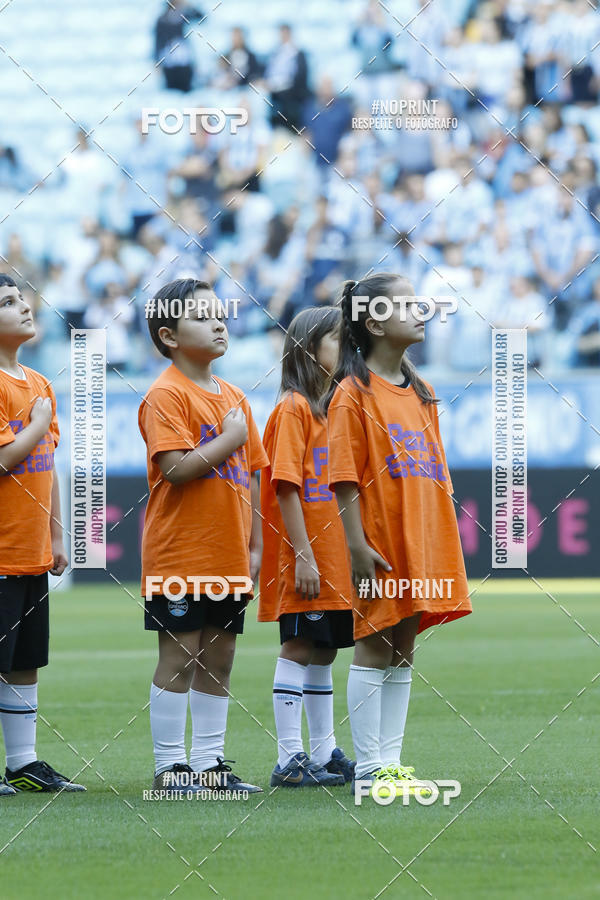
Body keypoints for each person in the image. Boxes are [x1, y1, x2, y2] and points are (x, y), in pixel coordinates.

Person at [324, 273, 472, 797]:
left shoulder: (423, 390)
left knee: (404, 647)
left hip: (420, 539)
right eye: (406, 303)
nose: (422, 310)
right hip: (380, 543)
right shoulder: (352, 393)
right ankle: (368, 766)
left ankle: (391, 760)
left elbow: (436, 473)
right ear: (373, 320)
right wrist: (357, 544)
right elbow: (342, 477)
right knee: (375, 643)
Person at [139, 278, 268, 796]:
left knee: (220, 656)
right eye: (202, 316)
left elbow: (252, 472)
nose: (219, 322)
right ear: (169, 335)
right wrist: (229, 438)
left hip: (227, 553)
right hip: (179, 553)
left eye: (220, 313)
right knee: (180, 656)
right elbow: (174, 470)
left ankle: (210, 764)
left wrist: (256, 544)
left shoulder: (234, 394)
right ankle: (171, 768)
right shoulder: (165, 394)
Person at [259, 307, 354, 788]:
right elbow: (285, 485)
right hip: (309, 556)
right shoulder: (293, 407)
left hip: (335, 555)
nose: (346, 348)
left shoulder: (333, 407)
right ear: (308, 348)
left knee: (324, 651)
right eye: (338, 339)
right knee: (298, 646)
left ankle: (322, 751)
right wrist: (303, 553)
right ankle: (289, 757)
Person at [0, 274, 85, 794]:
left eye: (21, 298)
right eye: (7, 302)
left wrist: (57, 535)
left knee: (26, 659)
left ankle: (23, 762)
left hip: (29, 548)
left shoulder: (38, 382)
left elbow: (46, 465)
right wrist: (35, 423)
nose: (23, 307)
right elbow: (8, 458)